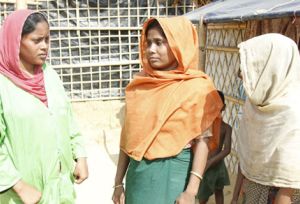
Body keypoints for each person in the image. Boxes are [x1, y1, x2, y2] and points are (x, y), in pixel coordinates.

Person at [112, 16, 223, 204]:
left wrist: (190, 191)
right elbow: (128, 138)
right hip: (137, 178)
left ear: (178, 45)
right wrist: (117, 183)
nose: (151, 50)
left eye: (159, 43)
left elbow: (203, 141)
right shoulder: (140, 85)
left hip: (173, 178)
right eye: (148, 43)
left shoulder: (197, 88)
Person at [0, 10, 88, 203]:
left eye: (47, 39)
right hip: (21, 195)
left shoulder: (50, 75)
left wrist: (80, 155)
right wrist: (19, 185)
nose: (45, 46)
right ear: (15, 41)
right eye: (37, 40)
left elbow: (68, 118)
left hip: (59, 190)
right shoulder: (3, 85)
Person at [236, 33, 300, 204]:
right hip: (252, 193)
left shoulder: (294, 112)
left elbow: (292, 177)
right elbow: (245, 157)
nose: (240, 73)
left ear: (272, 65)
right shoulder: (253, 104)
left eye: (252, 66)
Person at [197, 90, 232, 204]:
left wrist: (211, 161)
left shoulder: (226, 128)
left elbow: (227, 150)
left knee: (219, 191)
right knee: (203, 196)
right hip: (204, 165)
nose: (215, 108)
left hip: (216, 165)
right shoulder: (205, 125)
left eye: (218, 105)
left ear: (224, 107)